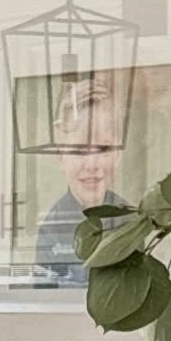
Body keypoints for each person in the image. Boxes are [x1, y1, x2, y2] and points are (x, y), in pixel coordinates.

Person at [33, 76, 130, 286]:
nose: (91, 164)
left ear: (118, 155)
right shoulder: (51, 229)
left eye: (103, 149)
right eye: (79, 150)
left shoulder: (130, 221)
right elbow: (43, 300)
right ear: (60, 157)